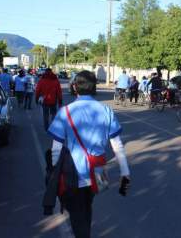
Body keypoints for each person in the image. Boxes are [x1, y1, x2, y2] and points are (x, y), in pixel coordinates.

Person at [45, 71, 130, 238]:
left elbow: (56, 148)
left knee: (77, 214)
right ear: (94, 88)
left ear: (75, 87)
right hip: (98, 173)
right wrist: (125, 172)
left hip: (74, 174)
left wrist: (55, 171)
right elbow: (117, 145)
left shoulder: (66, 112)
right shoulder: (106, 110)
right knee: (87, 205)